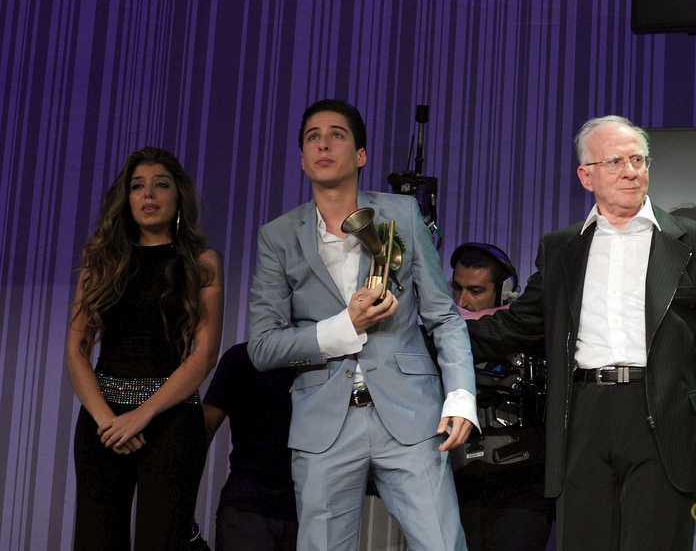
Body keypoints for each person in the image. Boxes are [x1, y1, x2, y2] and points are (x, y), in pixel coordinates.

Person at [464, 116, 696, 551]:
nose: (631, 171)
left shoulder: (695, 243)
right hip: (582, 413)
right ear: (586, 175)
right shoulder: (562, 248)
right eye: (615, 161)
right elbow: (518, 325)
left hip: (661, 410)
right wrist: (431, 337)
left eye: (638, 160)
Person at [246, 99, 477, 551]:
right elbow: (262, 346)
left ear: (361, 155)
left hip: (411, 414)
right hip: (323, 421)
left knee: (443, 545)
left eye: (337, 134)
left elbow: (444, 315)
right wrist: (342, 326)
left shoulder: (403, 213)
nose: (323, 144)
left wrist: (461, 394)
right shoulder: (277, 236)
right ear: (301, 158)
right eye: (313, 136)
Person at [66, 147, 224, 551]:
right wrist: (108, 420)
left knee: (163, 542)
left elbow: (204, 354)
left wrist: (141, 415)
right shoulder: (101, 260)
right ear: (126, 198)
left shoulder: (202, 261)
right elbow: (75, 350)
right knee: (95, 541)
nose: (148, 194)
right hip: (103, 424)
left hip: (171, 421)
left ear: (178, 197)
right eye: (137, 186)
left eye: (160, 185)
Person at [449, 243, 553, 551]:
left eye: (476, 291)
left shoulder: (534, 332)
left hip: (523, 485)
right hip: (460, 485)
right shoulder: (439, 335)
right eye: (457, 288)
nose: (463, 300)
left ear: (505, 289)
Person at [202, 342, 297, 551]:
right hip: (248, 508)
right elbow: (204, 427)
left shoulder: (327, 362)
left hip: (311, 511)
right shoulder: (242, 357)